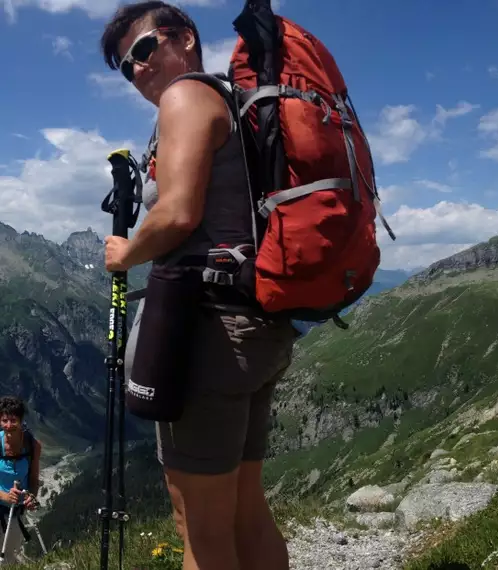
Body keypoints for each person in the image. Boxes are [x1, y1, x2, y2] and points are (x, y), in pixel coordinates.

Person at [100, 2, 296, 569]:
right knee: (243, 507)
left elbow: (178, 214)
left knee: (198, 529)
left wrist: (125, 254)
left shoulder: (185, 97)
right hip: (255, 324)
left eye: (142, 50)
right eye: (124, 66)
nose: (136, 70)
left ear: (184, 38)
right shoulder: (234, 103)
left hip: (207, 334)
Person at [0, 396, 40, 564]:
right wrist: (4, 496)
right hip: (4, 502)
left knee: (9, 556)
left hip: (16, 511)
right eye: (4, 420)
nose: (8, 425)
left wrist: (31, 496)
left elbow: (33, 479)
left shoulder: (33, 445)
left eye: (13, 420)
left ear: (21, 420)